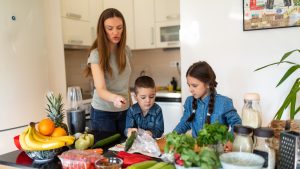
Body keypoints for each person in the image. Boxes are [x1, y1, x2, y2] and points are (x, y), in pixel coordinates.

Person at [85, 8, 132, 137]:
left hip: (125, 111)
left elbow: (125, 84)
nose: (115, 32)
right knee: (107, 153)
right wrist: (115, 98)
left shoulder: (126, 51)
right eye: (110, 28)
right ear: (102, 30)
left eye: (119, 27)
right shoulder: (96, 54)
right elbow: (100, 89)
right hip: (103, 113)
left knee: (126, 150)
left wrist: (131, 107)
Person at [174, 61, 241, 138]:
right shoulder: (189, 102)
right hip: (196, 149)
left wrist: (230, 140)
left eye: (194, 86)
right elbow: (184, 123)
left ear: (208, 84)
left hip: (218, 149)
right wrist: (172, 136)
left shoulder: (224, 102)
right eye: (189, 85)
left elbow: (237, 124)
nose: (190, 89)